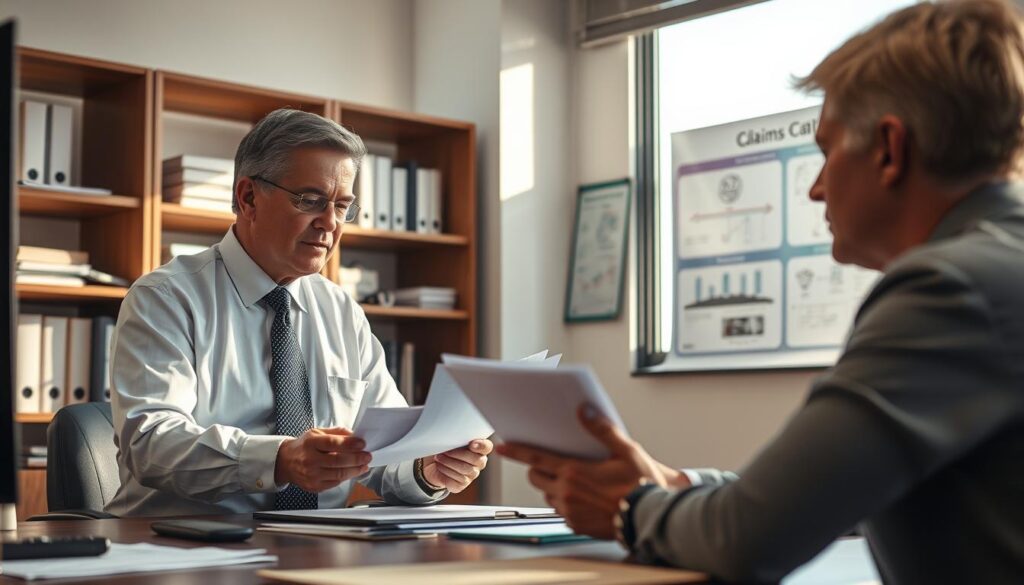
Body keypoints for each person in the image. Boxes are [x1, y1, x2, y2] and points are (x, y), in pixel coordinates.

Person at [499, 0, 1024, 582]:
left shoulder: (952, 291)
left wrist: (628, 508)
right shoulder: (999, 266)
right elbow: (826, 500)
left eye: (825, 152)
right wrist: (676, 487)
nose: (816, 190)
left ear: (889, 150)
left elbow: (747, 541)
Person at [107, 109, 490, 516]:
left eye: (342, 206)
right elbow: (151, 443)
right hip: (179, 549)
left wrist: (425, 468)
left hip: (314, 544)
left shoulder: (341, 311)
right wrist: (281, 459)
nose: (329, 223)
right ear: (248, 197)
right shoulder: (165, 298)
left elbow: (384, 453)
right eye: (311, 200)